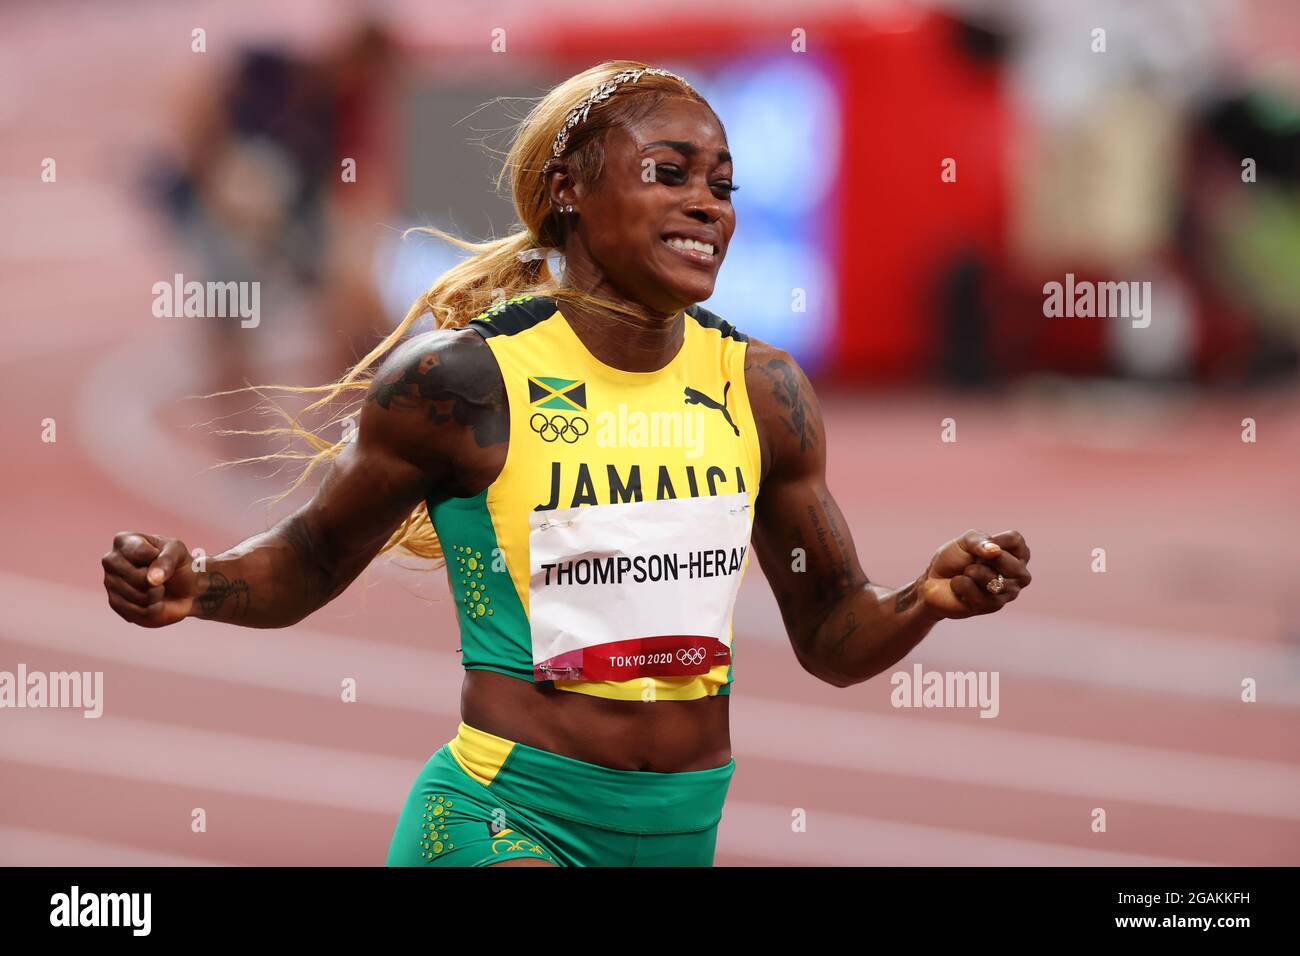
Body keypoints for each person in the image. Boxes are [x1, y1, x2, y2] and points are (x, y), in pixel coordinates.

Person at [102, 61, 1033, 867]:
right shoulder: (462, 382)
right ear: (567, 192)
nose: (707, 203)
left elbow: (833, 639)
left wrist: (928, 599)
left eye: (723, 184)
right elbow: (309, 557)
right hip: (504, 820)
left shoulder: (762, 391)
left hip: (680, 832)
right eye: (668, 175)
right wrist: (200, 584)